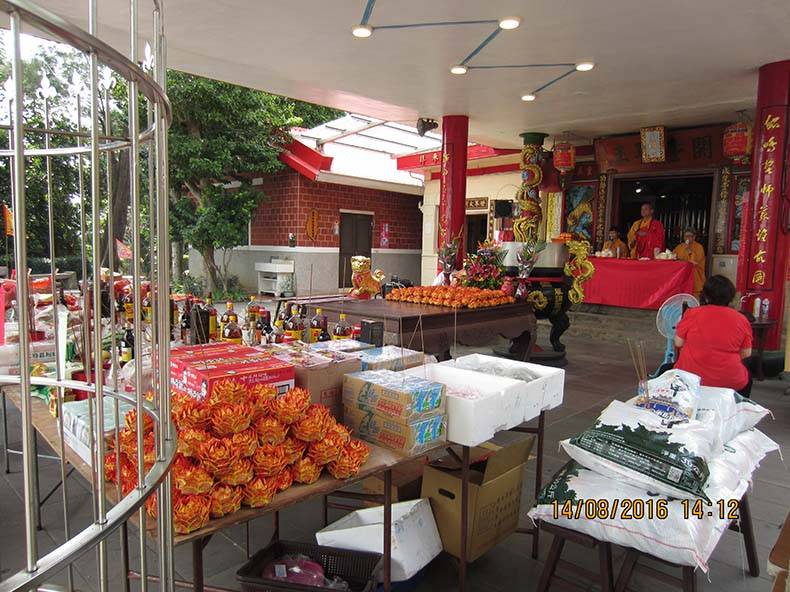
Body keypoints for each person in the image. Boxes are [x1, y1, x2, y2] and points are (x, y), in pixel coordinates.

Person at [673, 275, 753, 396]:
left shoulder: (692, 314)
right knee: (747, 380)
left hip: (690, 378)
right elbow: (746, 353)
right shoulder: (742, 319)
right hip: (730, 380)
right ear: (731, 297)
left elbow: (678, 342)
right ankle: (738, 406)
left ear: (706, 296)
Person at [673, 228, 706, 298]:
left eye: (689, 236)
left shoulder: (699, 247)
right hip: (682, 278)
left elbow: (695, 262)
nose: (687, 238)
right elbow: (673, 257)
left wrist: (688, 250)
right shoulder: (680, 246)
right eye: (685, 236)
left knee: (694, 299)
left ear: (694, 237)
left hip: (695, 279)